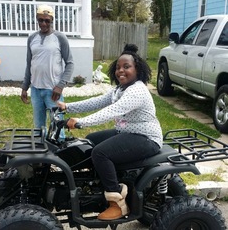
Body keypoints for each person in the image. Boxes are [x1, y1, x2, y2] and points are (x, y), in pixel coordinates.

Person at [57, 44, 163, 220]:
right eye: (118, 67)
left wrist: (80, 122)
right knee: (91, 140)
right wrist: (68, 106)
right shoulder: (120, 89)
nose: (121, 70)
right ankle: (99, 184)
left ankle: (117, 204)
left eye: (126, 67)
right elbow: (97, 102)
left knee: (100, 153)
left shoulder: (137, 90)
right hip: (127, 132)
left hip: (147, 139)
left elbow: (112, 111)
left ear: (137, 69)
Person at [21, 4, 74, 135]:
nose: (44, 23)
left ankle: (57, 153)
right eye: (40, 20)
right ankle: (40, 153)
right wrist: (24, 87)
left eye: (47, 20)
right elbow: (30, 64)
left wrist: (60, 86)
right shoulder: (32, 38)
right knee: (39, 128)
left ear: (52, 20)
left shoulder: (60, 38)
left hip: (53, 91)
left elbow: (70, 63)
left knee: (57, 128)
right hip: (36, 90)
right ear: (37, 19)